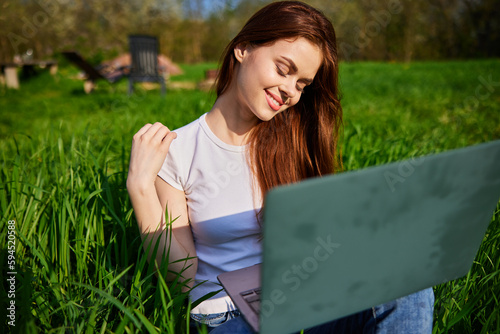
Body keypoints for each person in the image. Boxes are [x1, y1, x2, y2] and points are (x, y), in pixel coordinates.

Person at [126, 1, 434, 333]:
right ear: (243, 48)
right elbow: (180, 279)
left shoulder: (293, 139)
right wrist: (141, 189)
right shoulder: (179, 151)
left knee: (412, 284)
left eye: (302, 84)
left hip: (302, 298)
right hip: (226, 317)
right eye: (283, 69)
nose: (290, 91)